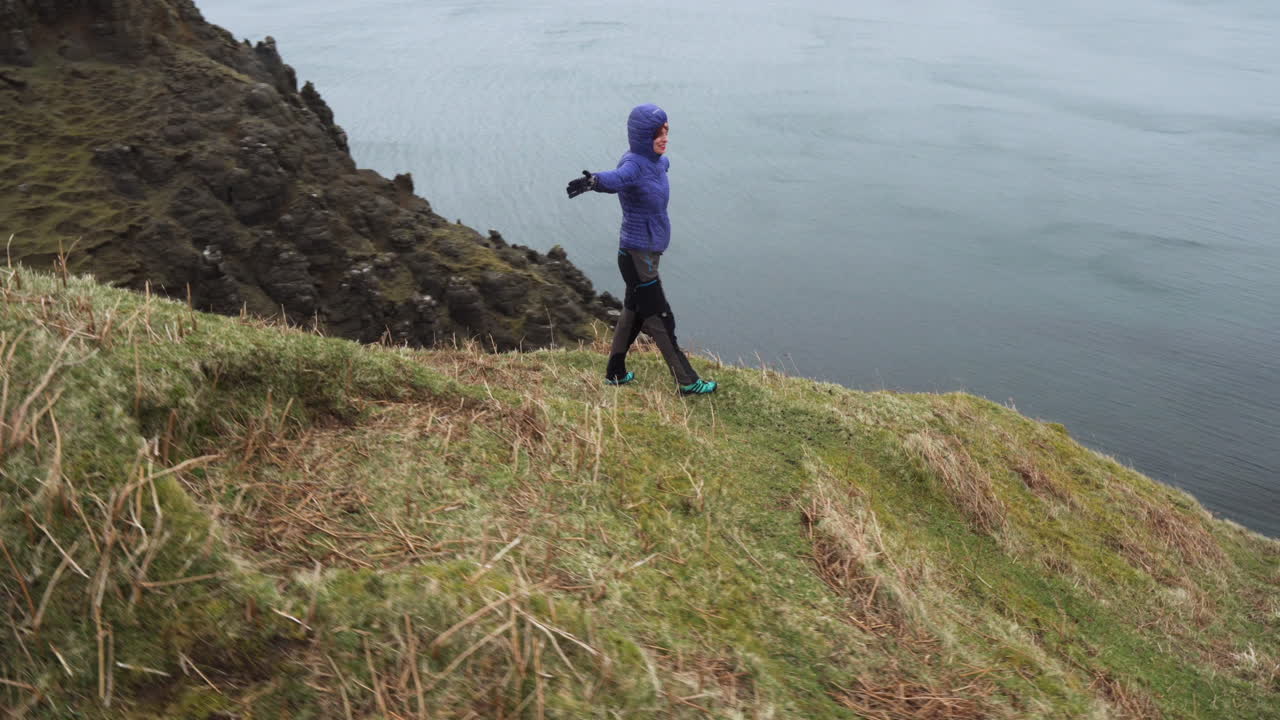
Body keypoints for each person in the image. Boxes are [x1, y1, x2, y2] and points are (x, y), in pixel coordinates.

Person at [566, 104, 717, 396]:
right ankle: (687, 380)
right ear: (641, 136)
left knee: (632, 313)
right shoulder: (634, 163)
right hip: (637, 255)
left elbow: (659, 168)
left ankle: (615, 372)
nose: (664, 138)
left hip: (646, 253)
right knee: (660, 319)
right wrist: (593, 181)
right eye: (656, 133)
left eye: (666, 131)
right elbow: (617, 178)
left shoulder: (660, 163)